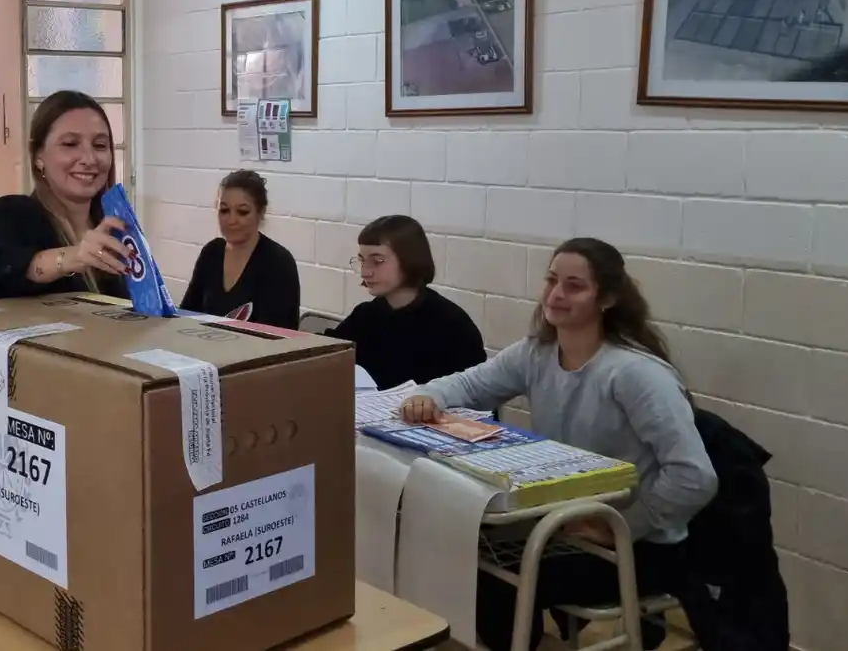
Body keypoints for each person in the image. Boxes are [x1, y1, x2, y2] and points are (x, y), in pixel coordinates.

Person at [398, 238, 718, 651]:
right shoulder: (537, 353)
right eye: (551, 280)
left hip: (637, 546)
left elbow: (695, 476)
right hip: (565, 523)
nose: (555, 295)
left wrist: (621, 526)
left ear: (606, 299)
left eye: (574, 285)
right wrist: (428, 396)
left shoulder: (635, 374)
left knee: (491, 577)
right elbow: (470, 383)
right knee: (460, 545)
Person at [0, 91, 129, 301]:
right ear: (38, 156)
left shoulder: (115, 226)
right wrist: (71, 257)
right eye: (70, 144)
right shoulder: (15, 213)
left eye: (100, 146)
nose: (89, 159)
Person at [327, 215, 485, 389]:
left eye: (377, 261)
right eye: (362, 261)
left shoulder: (451, 324)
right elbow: (326, 354)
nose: (365, 272)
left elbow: (476, 394)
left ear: (409, 260)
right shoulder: (365, 315)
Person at [179, 170, 301, 328]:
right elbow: (186, 315)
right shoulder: (211, 252)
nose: (231, 220)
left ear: (261, 212)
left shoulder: (277, 262)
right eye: (224, 210)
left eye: (242, 212)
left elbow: (275, 335)